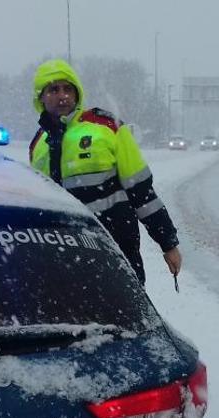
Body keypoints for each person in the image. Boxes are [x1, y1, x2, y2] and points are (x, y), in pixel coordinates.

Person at [28, 59, 181, 285]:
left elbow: (143, 193)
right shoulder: (38, 144)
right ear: (40, 97)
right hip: (64, 255)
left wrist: (168, 243)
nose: (62, 95)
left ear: (77, 93)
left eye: (68, 88)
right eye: (53, 89)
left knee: (128, 316)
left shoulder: (107, 127)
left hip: (115, 248)